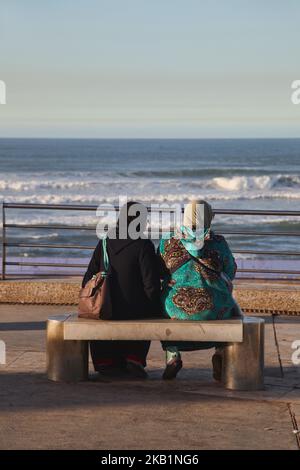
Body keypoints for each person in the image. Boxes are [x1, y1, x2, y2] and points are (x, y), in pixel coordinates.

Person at [158, 199, 238, 380]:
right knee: (228, 305)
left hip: (176, 309)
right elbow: (231, 271)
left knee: (163, 303)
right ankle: (220, 354)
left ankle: (172, 355)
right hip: (213, 308)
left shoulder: (168, 241)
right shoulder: (218, 242)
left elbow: (160, 271)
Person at [82, 201, 161, 379]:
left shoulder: (104, 242)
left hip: (104, 307)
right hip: (133, 309)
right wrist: (154, 306)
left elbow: (88, 277)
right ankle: (133, 359)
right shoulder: (143, 245)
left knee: (104, 313)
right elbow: (151, 285)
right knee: (146, 309)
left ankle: (105, 362)